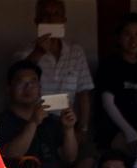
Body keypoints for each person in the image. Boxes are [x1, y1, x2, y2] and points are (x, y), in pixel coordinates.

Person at [0, 60, 78, 168]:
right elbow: (12, 154)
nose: (28, 87)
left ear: (40, 88)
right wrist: (33, 122)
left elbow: (70, 157)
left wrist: (69, 129)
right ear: (9, 88)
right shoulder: (1, 121)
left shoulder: (52, 121)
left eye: (33, 82)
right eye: (21, 82)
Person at [17, 0, 94, 136]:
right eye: (45, 15)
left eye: (56, 14)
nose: (51, 19)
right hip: (35, 124)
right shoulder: (24, 53)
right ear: (37, 21)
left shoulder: (76, 52)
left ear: (63, 20)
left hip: (68, 123)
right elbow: (20, 83)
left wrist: (83, 128)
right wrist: (38, 53)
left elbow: (84, 94)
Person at [95, 13, 137, 152]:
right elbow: (107, 104)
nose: (133, 39)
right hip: (114, 130)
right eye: (127, 34)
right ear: (118, 37)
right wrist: (130, 134)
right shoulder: (109, 65)